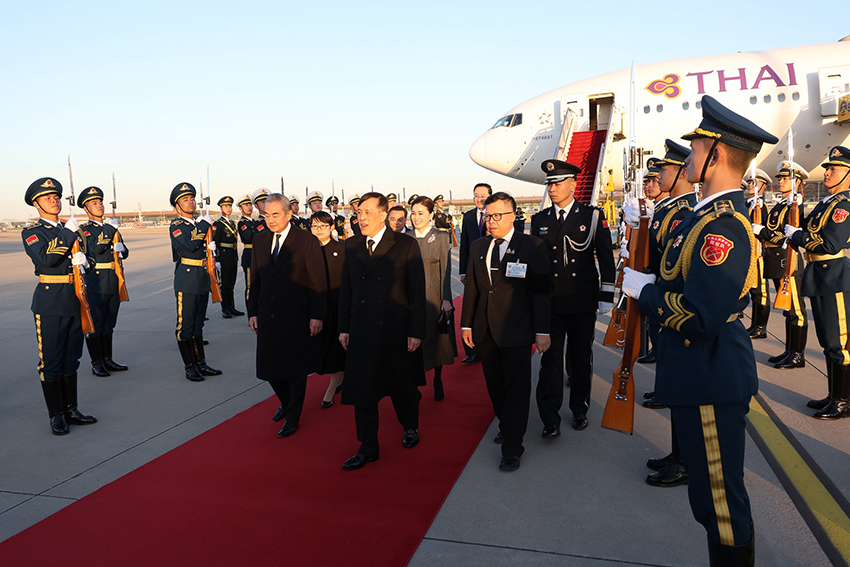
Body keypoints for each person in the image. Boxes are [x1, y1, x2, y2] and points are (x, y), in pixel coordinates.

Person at [622, 95, 778, 565]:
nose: (688, 156)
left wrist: (646, 293)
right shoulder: (704, 216)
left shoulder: (722, 228)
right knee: (711, 501)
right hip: (698, 372)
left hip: (710, 374)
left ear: (717, 154)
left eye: (695, 147)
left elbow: (702, 315)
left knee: (720, 505)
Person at [462, 192, 551, 471]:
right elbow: (472, 289)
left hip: (517, 330)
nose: (491, 221)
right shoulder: (478, 246)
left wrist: (542, 330)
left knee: (517, 388)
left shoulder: (532, 246)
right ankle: (506, 422)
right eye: (488, 216)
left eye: (497, 215)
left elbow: (541, 292)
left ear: (513, 216)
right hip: (485, 329)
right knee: (495, 385)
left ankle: (513, 446)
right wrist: (466, 324)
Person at [338, 192, 427, 470]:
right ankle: (368, 446)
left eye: (367, 212)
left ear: (382, 214)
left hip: (395, 330)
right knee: (363, 391)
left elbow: (417, 291)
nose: (361, 218)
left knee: (402, 385)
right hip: (362, 330)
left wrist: (416, 330)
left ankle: (410, 426)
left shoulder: (404, 244)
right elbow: (346, 290)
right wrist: (343, 327)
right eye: (359, 212)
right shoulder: (352, 245)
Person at [626, 141, 697, 489]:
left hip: (671, 306)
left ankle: (684, 461)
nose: (657, 177)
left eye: (663, 170)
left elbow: (669, 265)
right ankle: (677, 455)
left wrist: (648, 284)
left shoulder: (684, 212)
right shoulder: (669, 209)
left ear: (680, 172)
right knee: (674, 386)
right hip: (662, 303)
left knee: (682, 391)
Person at [531, 160, 615, 435]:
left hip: (581, 299)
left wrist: (606, 295)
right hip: (552, 302)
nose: (552, 189)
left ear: (573, 185)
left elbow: (606, 258)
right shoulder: (539, 220)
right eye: (549, 184)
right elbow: (537, 265)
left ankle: (579, 408)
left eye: (557, 183)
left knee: (580, 358)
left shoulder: (591, 216)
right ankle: (550, 418)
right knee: (550, 360)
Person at [22, 177, 98, 435]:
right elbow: (47, 259)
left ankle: (71, 409)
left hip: (75, 298)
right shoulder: (33, 232)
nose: (54, 201)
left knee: (71, 358)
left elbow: (89, 260)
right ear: (36, 204)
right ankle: (56, 415)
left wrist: (86, 262)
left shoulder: (71, 228)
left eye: (56, 197)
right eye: (47, 198)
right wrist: (68, 233)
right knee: (51, 361)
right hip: (51, 302)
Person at [248, 194, 326, 436]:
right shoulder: (260, 240)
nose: (270, 220)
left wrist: (317, 315)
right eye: (266, 215)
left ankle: (293, 416)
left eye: (276, 215)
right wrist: (252, 311)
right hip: (267, 313)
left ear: (289, 214)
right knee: (269, 368)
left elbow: (318, 280)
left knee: (295, 369)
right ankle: (287, 401)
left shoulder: (305, 240)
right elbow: (255, 279)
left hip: (296, 314)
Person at [786, 145, 850, 419]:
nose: (827, 173)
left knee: (839, 342)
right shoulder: (827, 203)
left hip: (834, 275)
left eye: (834, 169)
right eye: (827, 168)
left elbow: (830, 243)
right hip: (820, 274)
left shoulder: (844, 206)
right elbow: (807, 227)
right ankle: (834, 394)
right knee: (826, 340)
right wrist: (794, 208)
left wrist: (797, 236)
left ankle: (843, 401)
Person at [752, 163, 808, 369]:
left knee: (795, 310)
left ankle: (797, 355)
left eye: (786, 178)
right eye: (780, 178)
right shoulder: (781, 204)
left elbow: (786, 236)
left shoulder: (794, 206)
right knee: (787, 309)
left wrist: (761, 231)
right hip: (776, 260)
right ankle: (789, 350)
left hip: (787, 259)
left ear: (797, 182)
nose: (781, 181)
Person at [169, 183, 222, 382]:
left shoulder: (197, 224)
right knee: (185, 326)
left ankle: (201, 363)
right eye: (185, 200)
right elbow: (190, 246)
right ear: (177, 206)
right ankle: (189, 367)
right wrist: (203, 226)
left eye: (192, 198)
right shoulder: (177, 226)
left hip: (202, 277)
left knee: (198, 325)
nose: (190, 202)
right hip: (187, 279)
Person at [78, 186, 129, 377]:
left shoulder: (111, 228)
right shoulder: (85, 231)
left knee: (109, 324)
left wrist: (122, 249)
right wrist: (110, 228)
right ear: (86, 208)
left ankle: (108, 359)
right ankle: (97, 362)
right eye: (94, 203)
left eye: (100, 202)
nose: (99, 205)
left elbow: (124, 252)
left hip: (113, 279)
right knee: (96, 324)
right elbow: (96, 249)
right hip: (95, 281)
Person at [410, 196, 456, 401]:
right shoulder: (407, 238)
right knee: (413, 339)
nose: (416, 217)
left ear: (430, 215)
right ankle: (415, 382)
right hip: (412, 297)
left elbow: (446, 269)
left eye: (421, 213)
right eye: (413, 213)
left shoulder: (440, 237)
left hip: (434, 294)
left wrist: (445, 298)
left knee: (436, 340)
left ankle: (437, 377)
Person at [309, 211, 346, 408]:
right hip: (314, 308)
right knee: (318, 350)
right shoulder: (307, 250)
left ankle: (331, 390)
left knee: (336, 350)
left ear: (331, 227)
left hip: (337, 307)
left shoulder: (342, 249)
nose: (319, 230)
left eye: (323, 226)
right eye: (315, 226)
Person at [459, 182, 492, 363]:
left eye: (483, 196)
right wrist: (462, 271)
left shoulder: (494, 215)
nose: (479, 199)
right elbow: (464, 244)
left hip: (491, 268)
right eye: (476, 195)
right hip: (472, 268)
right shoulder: (469, 216)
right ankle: (472, 350)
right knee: (471, 306)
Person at [745, 170, 771, 339]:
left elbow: (765, 230)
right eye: (750, 182)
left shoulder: (761, 206)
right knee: (753, 291)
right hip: (748, 252)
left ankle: (760, 327)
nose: (750, 186)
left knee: (760, 291)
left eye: (755, 183)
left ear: (763, 186)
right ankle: (754, 324)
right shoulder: (747, 204)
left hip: (758, 253)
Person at [212, 196, 244, 319]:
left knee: (231, 284)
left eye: (230, 206)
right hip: (223, 257)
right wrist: (217, 260)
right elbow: (215, 243)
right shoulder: (218, 224)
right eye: (225, 206)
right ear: (221, 208)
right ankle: (224, 308)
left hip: (232, 256)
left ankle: (231, 307)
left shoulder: (232, 223)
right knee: (224, 285)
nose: (228, 208)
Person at [236, 194, 255, 310]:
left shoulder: (255, 222)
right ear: (240, 208)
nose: (249, 207)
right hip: (249, 255)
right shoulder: (242, 223)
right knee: (250, 286)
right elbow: (250, 237)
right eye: (246, 205)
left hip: (258, 255)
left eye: (250, 204)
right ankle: (250, 312)